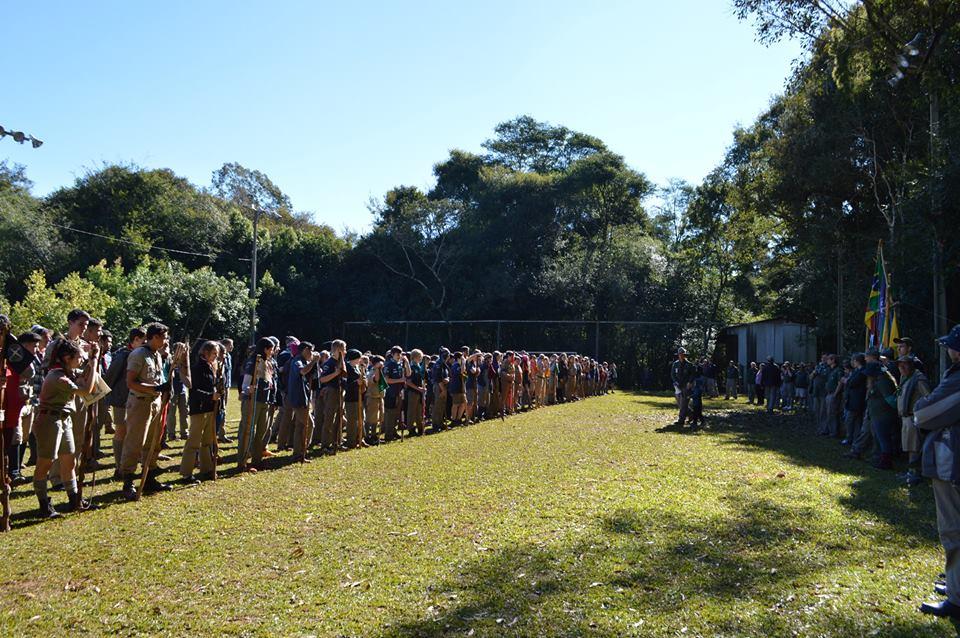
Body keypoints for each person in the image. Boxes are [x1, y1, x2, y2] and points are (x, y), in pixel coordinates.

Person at [915, 325, 960, 619]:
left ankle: (958, 599)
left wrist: (922, 405)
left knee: (954, 529)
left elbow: (924, 413)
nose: (949, 350)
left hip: (953, 463)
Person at [31, 339, 100, 516]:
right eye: (77, 357)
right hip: (49, 421)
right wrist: (93, 361)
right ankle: (44, 504)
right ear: (67, 358)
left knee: (69, 460)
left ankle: (74, 499)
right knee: (45, 463)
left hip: (63, 419)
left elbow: (85, 376)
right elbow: (86, 390)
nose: (81, 360)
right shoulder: (58, 377)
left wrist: (92, 356)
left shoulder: (67, 372)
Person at [119, 322, 171, 501]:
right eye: (163, 337)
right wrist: (156, 387)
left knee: (152, 443)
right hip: (140, 403)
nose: (166, 341)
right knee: (135, 442)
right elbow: (131, 382)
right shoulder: (138, 354)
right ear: (155, 337)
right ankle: (128, 481)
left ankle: (148, 477)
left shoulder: (156, 354)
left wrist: (162, 389)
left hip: (154, 402)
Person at [179, 341, 221, 482]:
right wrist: (210, 396)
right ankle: (186, 473)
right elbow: (194, 391)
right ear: (206, 353)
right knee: (194, 442)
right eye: (214, 353)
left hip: (210, 409)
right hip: (199, 409)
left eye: (217, 353)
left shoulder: (212, 367)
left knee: (207, 442)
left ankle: (207, 469)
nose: (216, 356)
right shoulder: (197, 368)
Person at [237, 337, 276, 472]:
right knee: (248, 431)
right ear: (265, 349)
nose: (272, 352)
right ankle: (242, 462)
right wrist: (249, 389)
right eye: (271, 349)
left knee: (261, 431)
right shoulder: (253, 362)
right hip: (252, 401)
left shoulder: (267, 362)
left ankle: (257, 461)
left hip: (264, 400)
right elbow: (245, 384)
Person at [897, 354, 930, 487]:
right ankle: (911, 471)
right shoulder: (904, 378)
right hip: (905, 417)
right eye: (900, 365)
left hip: (914, 417)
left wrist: (919, 412)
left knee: (914, 447)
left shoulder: (918, 379)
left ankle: (915, 474)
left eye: (905, 364)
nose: (902, 367)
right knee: (909, 446)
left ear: (911, 365)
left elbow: (928, 397)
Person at [864, 360, 898, 470]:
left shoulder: (883, 382)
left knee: (884, 439)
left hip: (883, 415)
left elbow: (891, 400)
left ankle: (886, 462)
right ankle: (880, 458)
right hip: (878, 414)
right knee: (880, 439)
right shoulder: (879, 380)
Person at [318, 340, 346, 455]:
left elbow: (344, 373)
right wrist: (335, 373)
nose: (345, 351)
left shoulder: (340, 362)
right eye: (344, 349)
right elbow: (322, 379)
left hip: (339, 391)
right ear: (338, 349)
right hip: (331, 391)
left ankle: (336, 442)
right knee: (329, 418)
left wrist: (342, 359)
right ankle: (325, 444)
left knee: (339, 417)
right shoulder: (329, 363)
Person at [343, 349, 365, 449]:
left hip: (358, 397)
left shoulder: (357, 367)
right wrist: (356, 383)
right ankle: (351, 441)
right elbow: (345, 384)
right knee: (352, 421)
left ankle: (360, 438)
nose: (359, 360)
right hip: (351, 398)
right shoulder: (347, 367)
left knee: (360, 419)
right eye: (358, 358)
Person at [382, 346, 405, 441]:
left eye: (400, 354)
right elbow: (386, 380)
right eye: (397, 354)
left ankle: (394, 431)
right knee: (390, 414)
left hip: (398, 392)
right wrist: (400, 380)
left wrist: (406, 362)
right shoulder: (389, 365)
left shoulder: (399, 364)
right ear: (392, 354)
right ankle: (388, 434)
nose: (399, 356)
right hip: (390, 393)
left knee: (396, 413)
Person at [670, 348, 696, 425]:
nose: (681, 356)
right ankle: (692, 415)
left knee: (683, 402)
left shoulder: (689, 364)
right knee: (680, 403)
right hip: (678, 386)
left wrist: (690, 382)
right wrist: (675, 382)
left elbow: (693, 374)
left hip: (686, 386)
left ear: (685, 355)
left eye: (682, 354)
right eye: (679, 354)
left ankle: (681, 420)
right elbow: (672, 374)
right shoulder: (675, 364)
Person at [405, 349, 427, 435]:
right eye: (420, 357)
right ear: (415, 357)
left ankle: (420, 428)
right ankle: (411, 429)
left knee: (419, 411)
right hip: (413, 392)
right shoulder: (411, 367)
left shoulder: (419, 366)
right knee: (412, 411)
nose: (421, 358)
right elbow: (409, 382)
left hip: (419, 392)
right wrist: (419, 389)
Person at [365, 355, 385, 444]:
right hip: (372, 397)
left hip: (379, 397)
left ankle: (374, 435)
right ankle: (367, 436)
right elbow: (376, 379)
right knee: (370, 418)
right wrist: (377, 369)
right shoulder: (373, 372)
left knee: (378, 418)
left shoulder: (381, 372)